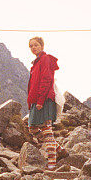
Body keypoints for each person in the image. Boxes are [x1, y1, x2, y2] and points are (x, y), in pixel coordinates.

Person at [27, 36, 67, 169]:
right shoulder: (36, 62)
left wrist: (40, 101)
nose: (33, 48)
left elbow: (46, 80)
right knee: (32, 128)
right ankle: (59, 150)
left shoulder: (45, 59)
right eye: (31, 46)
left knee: (46, 129)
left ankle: (52, 164)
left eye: (36, 45)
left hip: (44, 100)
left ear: (42, 46)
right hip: (37, 100)